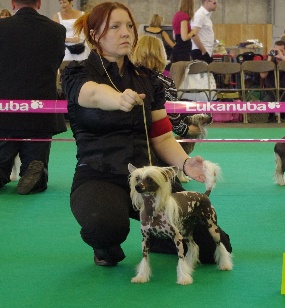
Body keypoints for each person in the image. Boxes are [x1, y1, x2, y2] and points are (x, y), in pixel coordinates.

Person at [62, 2, 231, 266]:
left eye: (129, 26)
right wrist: (118, 99)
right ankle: (105, 248)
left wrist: (185, 164)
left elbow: (162, 136)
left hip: (148, 176)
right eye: (115, 27)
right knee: (104, 225)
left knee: (213, 246)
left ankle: (160, 235)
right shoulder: (77, 72)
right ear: (95, 35)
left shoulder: (147, 78)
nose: (126, 33)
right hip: (99, 174)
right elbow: (92, 94)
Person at [0, 0, 66, 194]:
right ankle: (36, 171)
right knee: (36, 154)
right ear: (39, 3)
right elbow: (56, 63)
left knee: (2, 151)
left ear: (12, 4)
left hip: (6, 107)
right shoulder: (57, 30)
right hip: (41, 108)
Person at [132, 35, 201, 138]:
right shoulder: (167, 83)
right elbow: (174, 120)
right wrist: (188, 130)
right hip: (156, 137)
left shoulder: (127, 78)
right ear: (161, 55)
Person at [260, 40, 285, 122]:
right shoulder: (268, 62)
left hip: (284, 92)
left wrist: (282, 57)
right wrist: (269, 58)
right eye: (276, 50)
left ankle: (283, 115)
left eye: (281, 51)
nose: (278, 53)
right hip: (270, 92)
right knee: (264, 108)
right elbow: (263, 75)